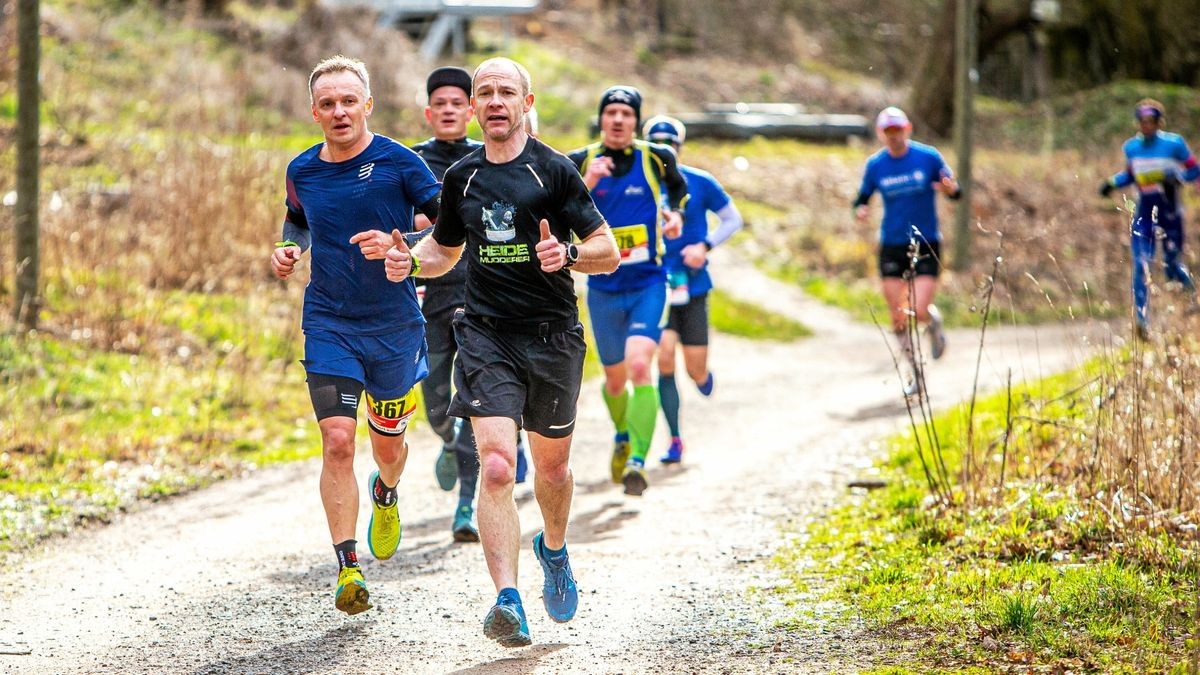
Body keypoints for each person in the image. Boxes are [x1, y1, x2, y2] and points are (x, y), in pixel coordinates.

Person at [385, 57, 619, 647]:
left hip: (552, 334)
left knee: (554, 470)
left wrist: (566, 257)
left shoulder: (555, 171)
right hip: (485, 333)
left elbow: (607, 249)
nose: (493, 101)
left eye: (505, 92)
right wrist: (409, 260)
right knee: (496, 464)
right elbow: (444, 251)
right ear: (473, 105)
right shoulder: (461, 177)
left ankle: (555, 547)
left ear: (525, 102)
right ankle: (507, 599)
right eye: (483, 92)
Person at [270, 55, 441, 615]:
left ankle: (386, 492)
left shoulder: (400, 162)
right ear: (313, 110)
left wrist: (406, 252)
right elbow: (298, 217)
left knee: (387, 446)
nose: (339, 112)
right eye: (327, 103)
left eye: (349, 101)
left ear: (367, 104)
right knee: (338, 439)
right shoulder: (302, 169)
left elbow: (449, 226)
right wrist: (291, 247)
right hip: (330, 321)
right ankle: (348, 568)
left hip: (393, 325)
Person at [409, 66, 528, 543]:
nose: (451, 111)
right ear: (430, 112)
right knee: (436, 401)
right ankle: (446, 439)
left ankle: (464, 506)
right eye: (442, 104)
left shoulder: (488, 159)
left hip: (482, 297)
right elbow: (408, 225)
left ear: (471, 110)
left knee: (476, 403)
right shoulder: (413, 162)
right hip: (431, 299)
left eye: (460, 102)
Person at [567, 86, 688, 495]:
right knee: (615, 381)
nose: (618, 120)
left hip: (648, 282)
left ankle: (638, 459)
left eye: (626, 114)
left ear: (636, 121)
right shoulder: (579, 160)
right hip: (602, 288)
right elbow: (556, 209)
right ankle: (623, 434)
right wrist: (588, 181)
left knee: (641, 367)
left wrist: (674, 216)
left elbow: (679, 189)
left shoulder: (656, 156)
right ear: (601, 119)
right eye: (611, 113)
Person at [642, 115, 743, 464]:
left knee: (695, 369)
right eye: (657, 144)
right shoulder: (641, 187)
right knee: (665, 357)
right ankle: (674, 439)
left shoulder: (700, 182)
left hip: (694, 285)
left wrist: (705, 246)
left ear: (679, 148)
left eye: (671, 144)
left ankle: (703, 377)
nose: (665, 150)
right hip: (657, 284)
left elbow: (733, 219)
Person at [853, 106, 958, 397]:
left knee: (918, 308)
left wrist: (950, 190)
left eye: (897, 130)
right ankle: (916, 374)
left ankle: (932, 322)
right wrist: (860, 209)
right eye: (888, 132)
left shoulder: (928, 157)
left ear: (907, 129)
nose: (894, 137)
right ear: (881, 134)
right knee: (898, 315)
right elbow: (861, 197)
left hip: (925, 243)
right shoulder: (876, 165)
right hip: (891, 244)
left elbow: (955, 190)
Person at [1100, 98, 1200, 339]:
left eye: (1151, 121)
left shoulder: (1174, 144)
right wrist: (1110, 183)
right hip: (1144, 214)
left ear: (1159, 122)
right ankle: (1142, 321)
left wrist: (1177, 178)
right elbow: (1130, 175)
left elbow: (1194, 169)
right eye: (1142, 121)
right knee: (1141, 264)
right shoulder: (1132, 148)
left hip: (1170, 214)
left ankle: (1193, 300)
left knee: (1171, 266)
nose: (1146, 125)